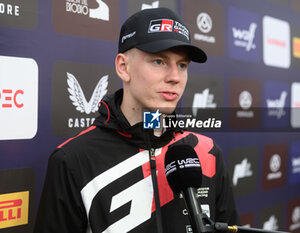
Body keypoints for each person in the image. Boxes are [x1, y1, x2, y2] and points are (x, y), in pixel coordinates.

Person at [34, 7, 239, 233]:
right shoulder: (73, 160)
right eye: (159, 61)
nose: (174, 77)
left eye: (182, 65)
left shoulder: (207, 152)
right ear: (124, 67)